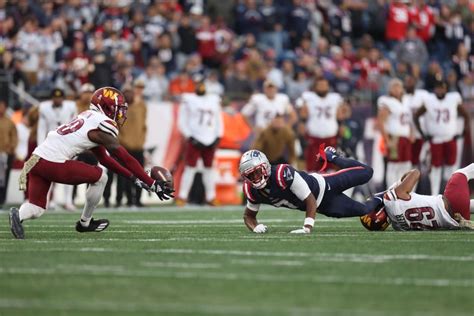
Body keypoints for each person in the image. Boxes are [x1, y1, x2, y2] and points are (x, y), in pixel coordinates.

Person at [9, 87, 174, 240]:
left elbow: (105, 159)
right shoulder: (102, 123)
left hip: (36, 160)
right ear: (107, 108)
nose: (121, 114)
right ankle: (85, 223)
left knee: (36, 208)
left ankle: (18, 215)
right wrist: (151, 183)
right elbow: (124, 157)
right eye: (118, 109)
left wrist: (134, 178)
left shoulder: (87, 117)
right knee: (101, 176)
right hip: (53, 162)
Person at [240, 147, 382, 234]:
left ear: (265, 166)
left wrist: (307, 227)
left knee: (367, 172)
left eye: (257, 172)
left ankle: (333, 157)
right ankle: (382, 197)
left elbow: (309, 198)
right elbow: (249, 216)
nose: (255, 177)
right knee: (364, 210)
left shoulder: (282, 174)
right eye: (250, 175)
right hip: (323, 206)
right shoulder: (251, 189)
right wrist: (255, 227)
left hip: (326, 184)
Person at [361, 165, 474, 231]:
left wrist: (398, 185)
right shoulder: (390, 200)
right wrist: (395, 187)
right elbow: (415, 173)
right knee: (461, 173)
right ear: (377, 210)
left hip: (454, 220)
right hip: (452, 202)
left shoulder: (398, 226)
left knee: (469, 204)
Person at [414, 80, 470, 195]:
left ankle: (450, 194)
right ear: (434, 89)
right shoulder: (429, 100)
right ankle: (435, 195)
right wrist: (423, 133)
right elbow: (416, 116)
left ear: (446, 89)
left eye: (442, 88)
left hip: (450, 138)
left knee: (451, 167)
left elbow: (465, 115)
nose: (440, 90)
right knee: (435, 167)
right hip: (436, 140)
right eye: (438, 88)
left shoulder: (453, 98)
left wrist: (464, 131)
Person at [176, 80, 223, 206]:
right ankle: (183, 196)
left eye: (202, 84)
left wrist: (218, 135)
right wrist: (189, 136)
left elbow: (218, 119)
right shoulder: (188, 99)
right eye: (198, 84)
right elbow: (182, 121)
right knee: (190, 168)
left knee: (209, 169)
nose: (200, 86)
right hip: (195, 138)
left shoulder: (214, 100)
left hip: (210, 137)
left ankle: (211, 197)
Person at [37, 88, 78, 211]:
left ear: (63, 99)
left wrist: (75, 145)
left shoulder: (71, 107)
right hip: (51, 145)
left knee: (71, 173)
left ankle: (68, 201)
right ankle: (49, 200)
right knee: (49, 174)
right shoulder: (44, 108)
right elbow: (41, 129)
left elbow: (75, 126)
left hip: (67, 144)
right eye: (55, 97)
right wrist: (40, 148)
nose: (57, 99)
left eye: (59, 97)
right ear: (51, 99)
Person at [296, 77, 343, 172]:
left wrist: (341, 125)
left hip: (331, 138)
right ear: (315, 87)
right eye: (320, 85)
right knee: (312, 169)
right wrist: (302, 123)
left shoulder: (335, 98)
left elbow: (340, 114)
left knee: (331, 169)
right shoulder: (309, 97)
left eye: (324, 85)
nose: (322, 87)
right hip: (314, 139)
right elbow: (303, 113)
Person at [377, 78, 413, 189]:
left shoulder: (406, 100)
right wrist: (387, 140)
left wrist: (412, 132)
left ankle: (404, 190)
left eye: (399, 86)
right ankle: (391, 190)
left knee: (406, 164)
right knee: (393, 165)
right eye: (394, 86)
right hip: (395, 138)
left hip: (405, 137)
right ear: (390, 89)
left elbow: (409, 120)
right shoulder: (387, 101)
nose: (397, 89)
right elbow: (381, 121)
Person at [117, 83, 147, 207]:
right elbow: (117, 127)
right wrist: (122, 141)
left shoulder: (141, 107)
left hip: (138, 147)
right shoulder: (119, 109)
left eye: (131, 93)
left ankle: (138, 199)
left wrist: (141, 141)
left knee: (140, 174)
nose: (129, 95)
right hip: (125, 147)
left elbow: (144, 126)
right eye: (126, 93)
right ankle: (127, 199)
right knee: (125, 176)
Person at [0, 100, 18, 209]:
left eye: (2, 106)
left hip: (6, 154)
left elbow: (14, 136)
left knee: (4, 179)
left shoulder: (10, 122)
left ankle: (2, 200)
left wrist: (11, 148)